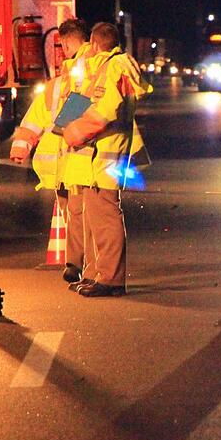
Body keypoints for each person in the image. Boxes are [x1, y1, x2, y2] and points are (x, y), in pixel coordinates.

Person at [62, 22, 150, 297]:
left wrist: (75, 131)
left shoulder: (115, 67)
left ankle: (111, 279)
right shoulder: (103, 66)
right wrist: (65, 124)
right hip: (99, 153)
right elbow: (86, 97)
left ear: (94, 43)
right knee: (95, 218)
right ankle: (96, 274)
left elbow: (106, 109)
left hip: (107, 152)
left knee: (106, 218)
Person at [9, 19, 90, 280]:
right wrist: (21, 146)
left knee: (77, 214)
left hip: (78, 160)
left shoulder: (82, 77)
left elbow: (46, 118)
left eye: (63, 45)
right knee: (72, 213)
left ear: (66, 44)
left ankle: (77, 264)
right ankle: (78, 263)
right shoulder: (63, 82)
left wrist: (22, 147)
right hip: (63, 164)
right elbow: (37, 118)